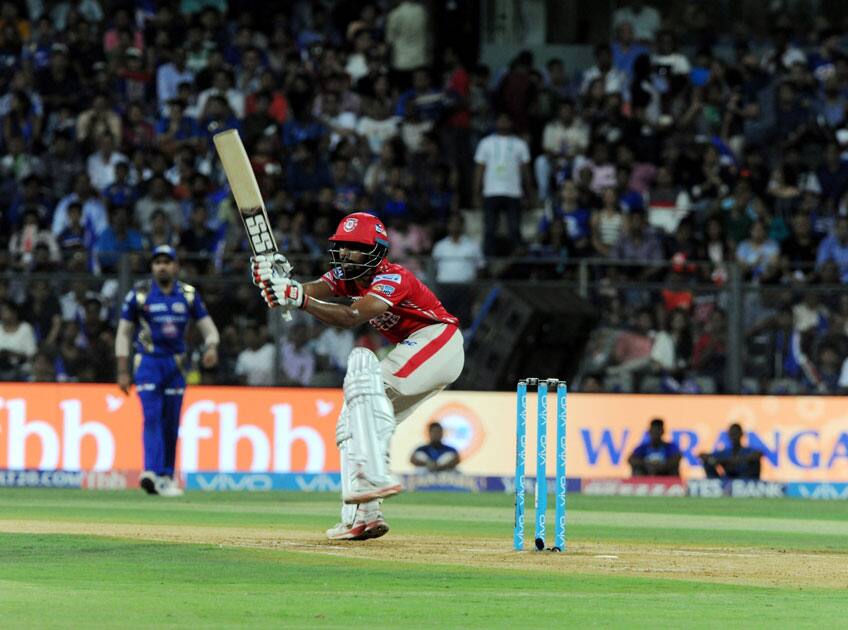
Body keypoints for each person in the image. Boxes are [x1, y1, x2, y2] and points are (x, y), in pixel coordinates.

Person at [251, 212, 464, 541]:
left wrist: (299, 298)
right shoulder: (347, 276)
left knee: (366, 385)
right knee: (352, 418)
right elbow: (313, 289)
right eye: (343, 247)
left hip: (438, 341)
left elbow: (350, 316)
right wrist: (282, 288)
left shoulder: (394, 277)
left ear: (376, 252)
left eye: (355, 248)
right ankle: (362, 516)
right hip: (417, 348)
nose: (346, 254)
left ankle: (376, 477)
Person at [115, 245, 220, 497]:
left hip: (176, 365)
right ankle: (151, 472)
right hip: (148, 362)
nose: (162, 266)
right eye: (157, 262)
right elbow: (123, 332)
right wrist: (122, 369)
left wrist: (212, 347)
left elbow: (209, 329)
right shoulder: (139, 294)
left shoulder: (188, 294)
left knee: (171, 422)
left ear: (176, 266)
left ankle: (166, 477)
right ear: (152, 267)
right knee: (152, 415)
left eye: (167, 261)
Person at [473, 112, 533, 255]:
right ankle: (488, 261)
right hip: (491, 191)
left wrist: (529, 193)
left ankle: (517, 263)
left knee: (514, 229)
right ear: (496, 122)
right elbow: (479, 170)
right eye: (501, 120)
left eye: (507, 120)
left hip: (513, 192)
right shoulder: (485, 143)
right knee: (489, 230)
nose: (504, 123)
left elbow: (526, 172)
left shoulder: (520, 144)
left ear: (511, 123)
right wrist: (476, 192)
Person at [699, 423, 763, 480]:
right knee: (708, 462)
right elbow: (702, 455)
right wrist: (719, 461)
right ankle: (713, 484)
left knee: (755, 462)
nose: (734, 437)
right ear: (728, 435)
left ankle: (753, 485)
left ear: (741, 434)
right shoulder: (724, 452)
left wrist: (739, 460)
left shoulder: (748, 450)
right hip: (727, 478)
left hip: (745, 479)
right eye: (732, 434)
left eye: (736, 434)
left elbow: (759, 454)